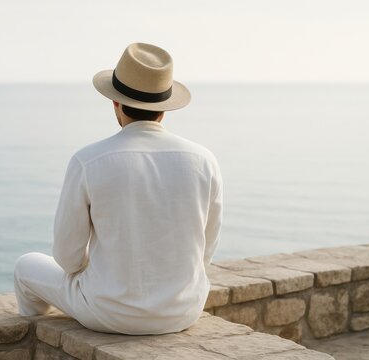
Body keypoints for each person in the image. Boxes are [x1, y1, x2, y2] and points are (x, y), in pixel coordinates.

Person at [14, 42, 222, 335]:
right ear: (164, 108)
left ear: (115, 103)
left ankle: (33, 337)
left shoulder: (88, 160)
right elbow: (205, 250)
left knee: (26, 266)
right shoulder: (204, 160)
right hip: (183, 312)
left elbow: (67, 258)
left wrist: (103, 271)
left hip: (107, 313)